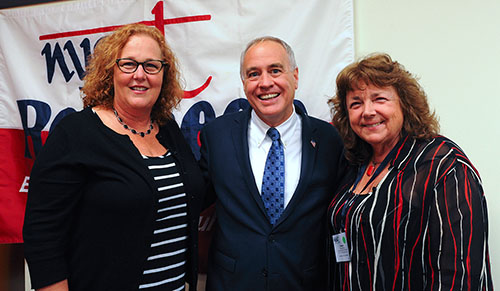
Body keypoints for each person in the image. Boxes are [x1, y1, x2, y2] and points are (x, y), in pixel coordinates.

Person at [23, 23, 205, 291]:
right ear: (111, 71)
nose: (140, 75)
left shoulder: (168, 129)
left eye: (151, 66)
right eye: (128, 64)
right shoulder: (75, 134)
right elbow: (43, 235)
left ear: (164, 74)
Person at [327, 53, 493, 290]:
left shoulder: (442, 164)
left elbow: (459, 272)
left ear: (405, 103)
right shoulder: (352, 164)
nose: (367, 111)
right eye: (356, 103)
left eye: (379, 99)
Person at [199, 36, 344, 291]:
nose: (265, 83)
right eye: (253, 74)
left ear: (295, 76)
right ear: (244, 84)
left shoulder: (329, 141)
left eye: (275, 70)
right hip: (232, 283)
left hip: (303, 283)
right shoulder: (217, 135)